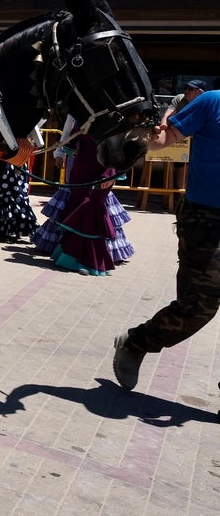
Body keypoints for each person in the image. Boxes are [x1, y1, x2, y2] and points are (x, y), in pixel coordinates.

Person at [112, 86, 220, 393]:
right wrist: (125, 134)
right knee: (197, 307)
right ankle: (137, 342)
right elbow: (163, 138)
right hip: (207, 220)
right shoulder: (212, 102)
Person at [31, 131, 133, 275]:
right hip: (83, 164)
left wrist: (112, 169)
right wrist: (62, 152)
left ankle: (89, 260)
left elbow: (123, 141)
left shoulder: (119, 115)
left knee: (93, 208)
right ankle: (76, 260)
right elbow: (73, 132)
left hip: (103, 167)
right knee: (82, 208)